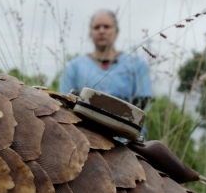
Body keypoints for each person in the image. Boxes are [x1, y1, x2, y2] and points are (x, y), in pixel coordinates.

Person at [58, 9, 153, 137]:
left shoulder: (137, 65)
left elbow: (142, 104)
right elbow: (66, 103)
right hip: (86, 137)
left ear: (116, 31)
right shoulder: (74, 67)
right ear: (91, 33)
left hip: (127, 140)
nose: (102, 31)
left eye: (107, 26)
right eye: (97, 27)